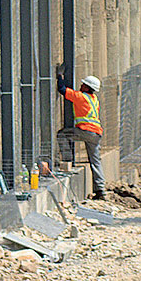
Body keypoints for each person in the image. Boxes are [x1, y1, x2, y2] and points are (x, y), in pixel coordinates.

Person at [56, 72, 106, 200]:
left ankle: (67, 161)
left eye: (83, 84)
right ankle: (100, 190)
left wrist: (60, 76)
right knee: (95, 161)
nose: (81, 85)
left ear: (87, 88)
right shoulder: (94, 99)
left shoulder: (80, 96)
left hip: (85, 131)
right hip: (96, 133)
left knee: (62, 135)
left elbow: (62, 90)